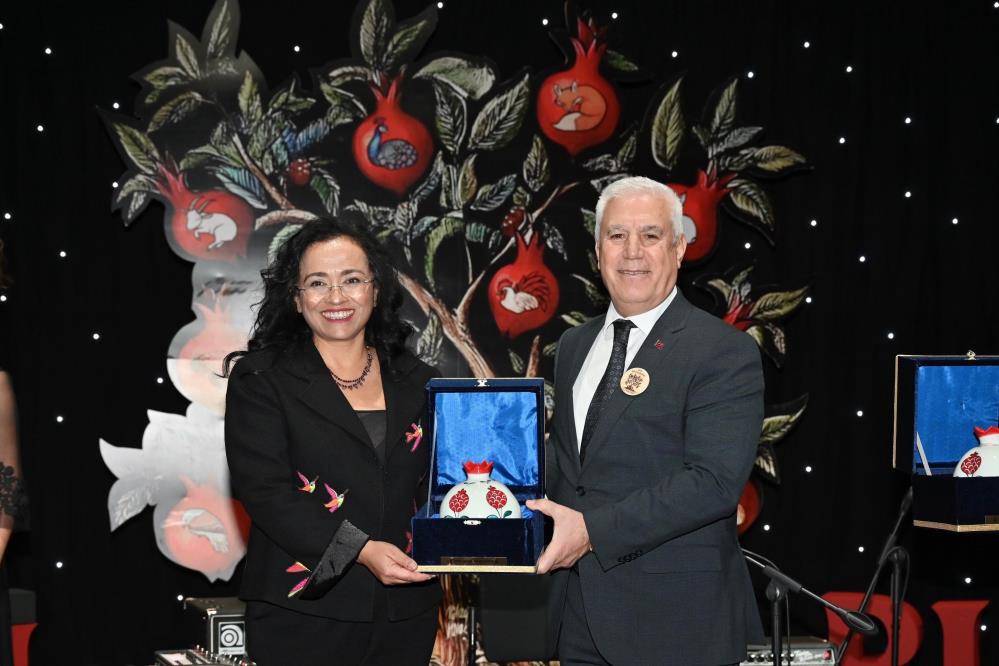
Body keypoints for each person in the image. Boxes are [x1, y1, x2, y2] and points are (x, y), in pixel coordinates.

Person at [527, 176, 765, 665]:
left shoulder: (722, 350)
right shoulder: (574, 345)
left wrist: (591, 531)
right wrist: (491, 489)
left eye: (651, 235)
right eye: (617, 235)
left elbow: (713, 483)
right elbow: (571, 462)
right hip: (578, 617)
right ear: (598, 252)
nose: (632, 251)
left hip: (676, 623)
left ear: (679, 248)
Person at [223, 216, 440, 665]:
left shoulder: (420, 381)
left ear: (375, 290)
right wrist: (360, 550)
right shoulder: (262, 378)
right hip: (303, 609)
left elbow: (442, 483)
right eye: (318, 283)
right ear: (296, 297)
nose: (336, 297)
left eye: (352, 280)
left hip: (405, 611)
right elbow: (265, 492)